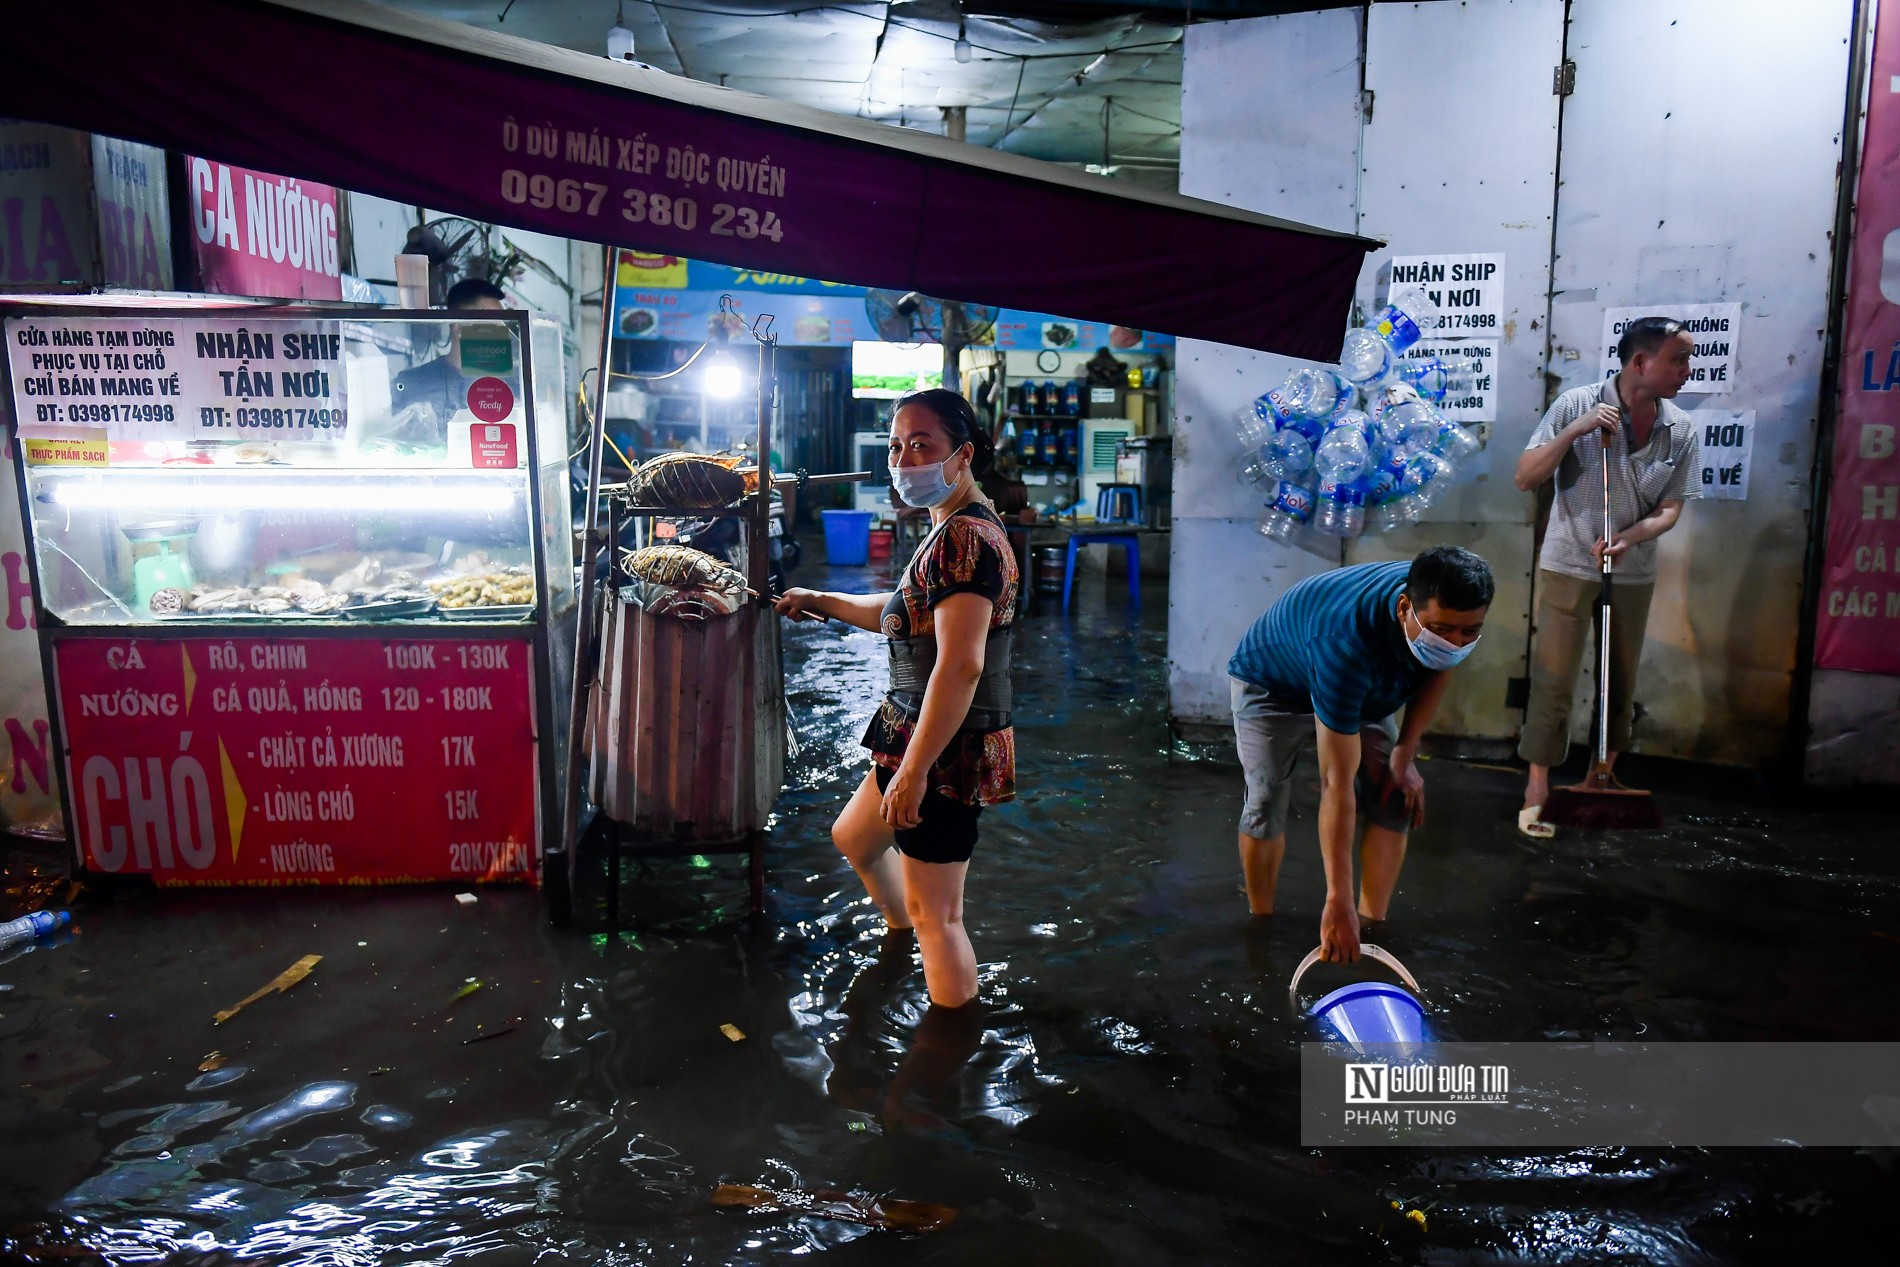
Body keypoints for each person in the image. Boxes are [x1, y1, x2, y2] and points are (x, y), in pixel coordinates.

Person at [775, 389, 1017, 1008]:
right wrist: (820, 600)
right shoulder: (948, 531)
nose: (905, 460)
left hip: (944, 745)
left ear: (962, 455)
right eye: (896, 446)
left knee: (941, 915)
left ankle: (947, 1064)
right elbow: (901, 618)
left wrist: (914, 771)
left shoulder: (966, 541)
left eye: (922, 445)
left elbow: (961, 667)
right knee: (855, 839)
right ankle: (902, 934)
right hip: (910, 728)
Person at [1228, 547, 1494, 963]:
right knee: (1265, 797)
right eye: (1443, 631)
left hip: (1365, 680)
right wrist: (1337, 898)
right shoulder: (1345, 642)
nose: (1455, 644)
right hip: (1273, 684)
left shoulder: (1441, 605)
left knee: (1392, 790)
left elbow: (1441, 666)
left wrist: (1404, 755)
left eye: (1469, 633)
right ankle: (1262, 925)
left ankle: (1373, 930)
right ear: (1405, 608)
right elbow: (1335, 783)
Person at [1513, 316, 1699, 838]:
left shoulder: (1679, 429)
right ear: (1640, 362)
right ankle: (1537, 788)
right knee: (1554, 679)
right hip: (1569, 564)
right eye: (1678, 359)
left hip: (1632, 570)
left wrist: (1632, 537)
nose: (1687, 369)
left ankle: (1603, 776)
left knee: (1619, 680)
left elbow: (1670, 509)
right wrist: (1577, 431)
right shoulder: (1575, 405)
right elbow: (1526, 476)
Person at [389, 277, 509, 429]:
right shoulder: (410, 385)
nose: (499, 334)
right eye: (491, 324)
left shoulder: (503, 391)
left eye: (502, 325)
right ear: (458, 326)